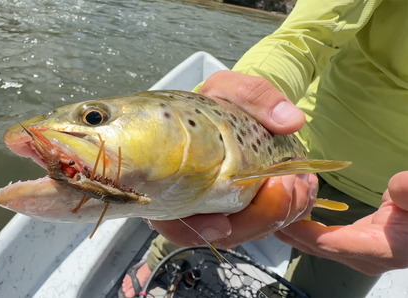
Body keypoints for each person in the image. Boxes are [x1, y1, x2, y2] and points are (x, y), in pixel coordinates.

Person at [119, 0, 408, 297]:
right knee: (195, 206)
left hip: (386, 206)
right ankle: (158, 259)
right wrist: (234, 111)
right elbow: (306, 36)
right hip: (284, 149)